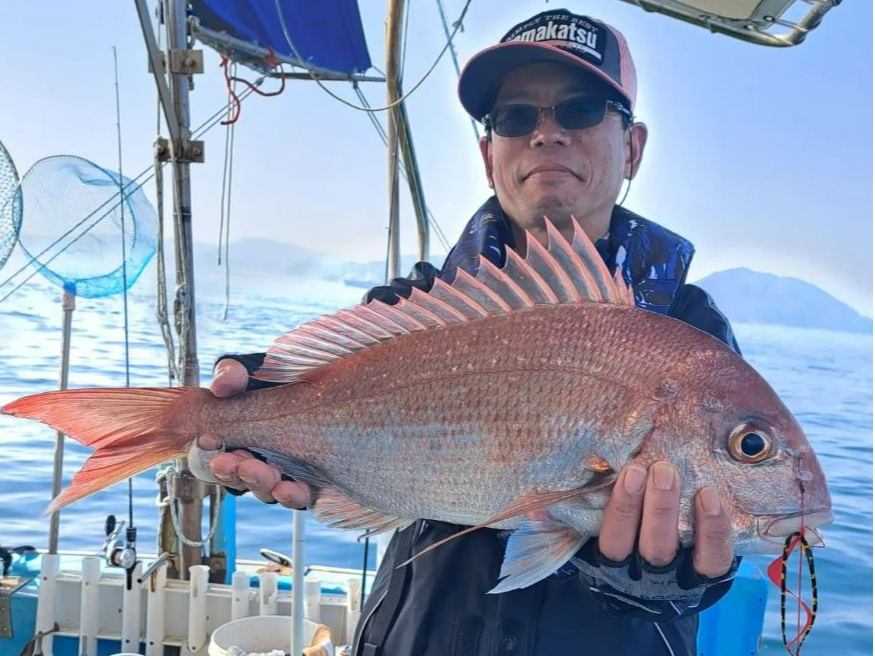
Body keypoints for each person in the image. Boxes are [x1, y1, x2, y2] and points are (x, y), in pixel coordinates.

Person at [199, 9, 742, 655]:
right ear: (488, 156)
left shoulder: (687, 331)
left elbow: (710, 556)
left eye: (580, 109)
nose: (546, 134)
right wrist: (243, 414)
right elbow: (309, 413)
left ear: (632, 147)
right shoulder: (411, 308)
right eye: (515, 116)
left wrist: (661, 579)